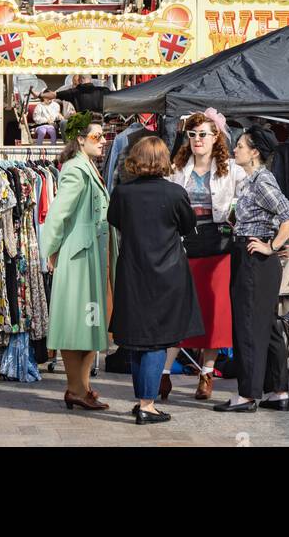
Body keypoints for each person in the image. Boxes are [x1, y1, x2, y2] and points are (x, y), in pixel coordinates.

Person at [108, 135, 203, 425]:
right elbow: (188, 225)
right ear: (163, 161)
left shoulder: (123, 193)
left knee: (138, 340)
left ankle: (143, 401)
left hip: (133, 271)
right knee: (156, 341)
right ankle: (147, 405)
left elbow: (115, 220)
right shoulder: (174, 193)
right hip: (167, 273)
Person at [214, 126, 289, 415]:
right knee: (267, 326)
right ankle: (279, 392)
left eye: (240, 146)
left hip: (254, 258)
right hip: (253, 257)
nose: (235, 149)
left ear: (254, 152)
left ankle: (247, 395)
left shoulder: (262, 181)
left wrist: (271, 246)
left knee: (249, 325)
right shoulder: (253, 180)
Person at [163, 108, 246, 401]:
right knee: (180, 309)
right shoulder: (176, 169)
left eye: (203, 134)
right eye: (192, 134)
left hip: (217, 248)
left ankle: (206, 374)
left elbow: (248, 199)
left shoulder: (232, 170)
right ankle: (164, 373)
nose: (197, 139)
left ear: (216, 138)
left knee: (214, 311)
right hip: (183, 246)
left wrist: (236, 217)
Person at [41, 113, 112, 412]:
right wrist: (50, 250)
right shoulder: (76, 170)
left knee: (90, 322)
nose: (104, 140)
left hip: (90, 255)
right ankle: (75, 388)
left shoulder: (87, 167)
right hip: (79, 256)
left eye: (103, 135)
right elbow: (59, 214)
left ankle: (81, 388)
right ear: (80, 140)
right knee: (78, 323)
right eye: (97, 136)